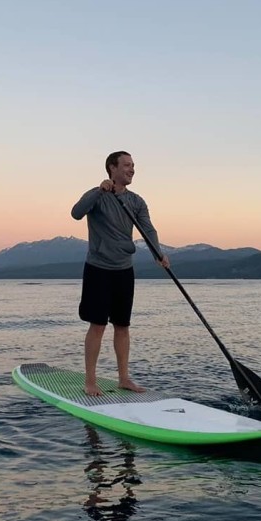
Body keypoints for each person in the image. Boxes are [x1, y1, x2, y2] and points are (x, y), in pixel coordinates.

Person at [71, 151, 170, 396]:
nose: (132, 169)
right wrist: (98, 190)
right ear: (112, 168)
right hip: (98, 269)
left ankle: (124, 378)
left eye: (133, 165)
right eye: (126, 165)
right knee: (97, 325)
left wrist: (159, 253)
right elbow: (76, 212)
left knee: (122, 326)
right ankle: (90, 381)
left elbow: (148, 229)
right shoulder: (97, 196)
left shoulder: (137, 201)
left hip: (124, 270)